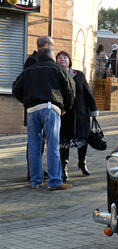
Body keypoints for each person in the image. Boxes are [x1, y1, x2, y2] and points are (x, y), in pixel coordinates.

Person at [12, 47, 75, 191]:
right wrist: (66, 106)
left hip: (32, 110)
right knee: (53, 145)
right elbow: (69, 88)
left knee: (34, 146)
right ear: (52, 56)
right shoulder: (56, 69)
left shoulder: (29, 70)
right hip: (50, 107)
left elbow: (15, 88)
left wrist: (27, 101)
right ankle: (54, 182)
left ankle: (35, 181)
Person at [56, 51, 99, 182]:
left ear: (69, 61)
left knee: (83, 140)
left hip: (81, 114)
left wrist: (93, 109)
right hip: (65, 115)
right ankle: (63, 168)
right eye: (59, 57)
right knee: (64, 142)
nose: (62, 59)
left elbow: (87, 92)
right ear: (56, 61)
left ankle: (82, 163)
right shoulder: (55, 75)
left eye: (65, 57)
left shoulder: (78, 74)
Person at [24, 36, 55, 181]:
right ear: (46, 46)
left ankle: (37, 172)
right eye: (52, 47)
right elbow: (23, 85)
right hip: (35, 107)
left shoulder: (36, 60)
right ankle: (33, 172)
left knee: (39, 141)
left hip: (38, 106)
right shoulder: (32, 61)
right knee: (35, 142)